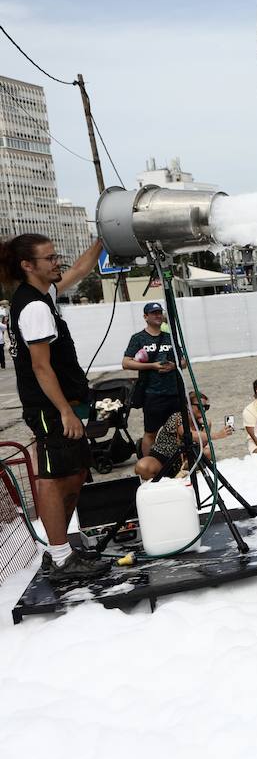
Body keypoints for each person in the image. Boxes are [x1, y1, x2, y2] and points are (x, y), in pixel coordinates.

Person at [1, 233, 108, 579]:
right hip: (49, 408)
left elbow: (78, 270)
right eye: (49, 258)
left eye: (55, 255)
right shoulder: (33, 307)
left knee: (75, 471)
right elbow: (40, 367)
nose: (56, 262)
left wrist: (102, 240)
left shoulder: (43, 294)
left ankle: (60, 548)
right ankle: (60, 556)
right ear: (27, 265)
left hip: (67, 401)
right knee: (54, 477)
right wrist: (64, 410)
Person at [122, 301, 184, 457]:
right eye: (153, 313)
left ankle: (177, 463)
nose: (157, 316)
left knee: (180, 430)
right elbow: (126, 363)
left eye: (159, 312)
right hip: (153, 394)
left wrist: (174, 365)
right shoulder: (138, 338)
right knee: (151, 432)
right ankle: (147, 465)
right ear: (145, 317)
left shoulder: (170, 337)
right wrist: (152, 366)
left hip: (174, 392)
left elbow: (183, 361)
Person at [134, 393, 233, 482]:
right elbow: (188, 434)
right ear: (188, 406)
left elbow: (200, 446)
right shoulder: (178, 417)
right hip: (163, 458)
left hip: (181, 460)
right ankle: (158, 484)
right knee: (142, 467)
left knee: (208, 453)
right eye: (199, 406)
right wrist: (217, 435)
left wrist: (205, 427)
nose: (203, 409)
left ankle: (183, 472)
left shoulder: (203, 422)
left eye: (206, 407)